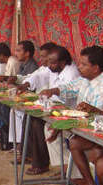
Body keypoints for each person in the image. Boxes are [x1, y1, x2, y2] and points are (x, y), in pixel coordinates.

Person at [41, 45, 103, 185]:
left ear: (95, 68)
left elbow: (96, 118)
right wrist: (53, 90)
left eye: (83, 64)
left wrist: (62, 125)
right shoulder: (85, 79)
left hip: (99, 131)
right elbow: (69, 88)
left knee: (76, 143)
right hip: (83, 128)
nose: (79, 67)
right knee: (52, 129)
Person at [26, 45, 80, 175]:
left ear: (62, 62)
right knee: (33, 118)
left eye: (52, 62)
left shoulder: (72, 73)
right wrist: (26, 84)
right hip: (56, 108)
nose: (48, 65)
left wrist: (52, 93)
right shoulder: (53, 69)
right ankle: (36, 159)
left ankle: (49, 164)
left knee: (40, 124)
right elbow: (38, 76)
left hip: (68, 111)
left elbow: (69, 93)